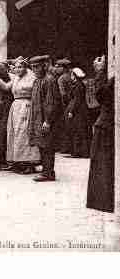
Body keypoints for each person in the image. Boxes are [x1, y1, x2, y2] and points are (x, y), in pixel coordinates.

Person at [0, 57, 40, 174]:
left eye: (20, 67)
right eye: (16, 67)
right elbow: (7, 87)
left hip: (26, 106)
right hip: (16, 106)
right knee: (14, 133)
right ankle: (17, 162)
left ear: (25, 67)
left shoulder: (32, 77)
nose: (18, 69)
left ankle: (29, 163)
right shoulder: (16, 77)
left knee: (24, 134)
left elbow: (33, 90)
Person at [86, 57, 114, 213]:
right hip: (106, 123)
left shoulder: (110, 79)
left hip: (106, 125)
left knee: (102, 165)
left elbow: (102, 95)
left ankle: (103, 201)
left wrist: (100, 72)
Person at [28, 55, 61, 182]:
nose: (35, 70)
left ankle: (48, 172)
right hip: (37, 118)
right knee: (42, 145)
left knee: (47, 146)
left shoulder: (49, 80)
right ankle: (45, 171)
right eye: (33, 67)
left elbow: (50, 103)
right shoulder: (37, 81)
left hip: (45, 119)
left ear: (44, 66)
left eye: (37, 67)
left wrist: (48, 120)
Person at [66, 67, 90, 158]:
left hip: (79, 111)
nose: (71, 76)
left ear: (75, 76)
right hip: (79, 110)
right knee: (79, 130)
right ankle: (79, 151)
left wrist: (72, 111)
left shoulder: (78, 86)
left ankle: (80, 152)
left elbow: (77, 100)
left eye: (72, 74)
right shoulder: (78, 85)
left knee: (79, 130)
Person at [55, 58, 73, 153]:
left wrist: (64, 105)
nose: (56, 68)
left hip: (65, 105)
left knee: (64, 126)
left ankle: (65, 148)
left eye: (58, 66)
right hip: (73, 103)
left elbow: (63, 94)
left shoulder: (61, 78)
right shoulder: (71, 76)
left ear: (64, 68)